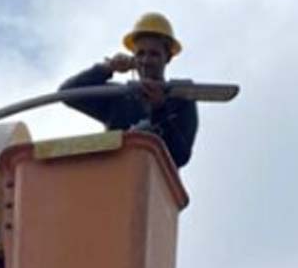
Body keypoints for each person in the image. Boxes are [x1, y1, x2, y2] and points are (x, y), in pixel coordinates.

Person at [59, 12, 198, 169]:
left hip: (152, 185)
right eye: (140, 54)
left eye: (154, 54)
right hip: (114, 180)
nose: (146, 61)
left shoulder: (180, 99)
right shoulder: (120, 97)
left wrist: (160, 108)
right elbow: (68, 94)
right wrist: (108, 68)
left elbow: (179, 156)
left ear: (168, 57)